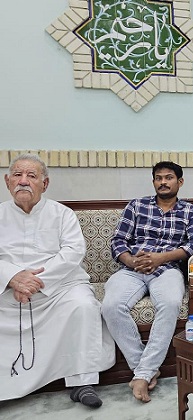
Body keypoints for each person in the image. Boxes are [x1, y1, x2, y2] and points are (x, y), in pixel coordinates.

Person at [0, 154, 114, 406]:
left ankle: (82, 382)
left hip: (61, 286)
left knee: (83, 306)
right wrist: (13, 278)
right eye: (17, 175)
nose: (23, 181)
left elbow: (73, 252)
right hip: (8, 288)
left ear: (45, 183)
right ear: (7, 181)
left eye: (31, 176)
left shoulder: (62, 214)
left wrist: (32, 282)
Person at [102, 161, 193, 402]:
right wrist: (131, 261)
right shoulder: (136, 206)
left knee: (170, 304)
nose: (163, 182)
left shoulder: (190, 211)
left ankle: (142, 373)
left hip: (168, 269)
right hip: (133, 268)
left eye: (169, 177)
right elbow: (118, 241)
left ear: (180, 182)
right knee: (110, 306)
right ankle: (145, 370)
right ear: (154, 182)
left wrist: (161, 258)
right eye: (158, 178)